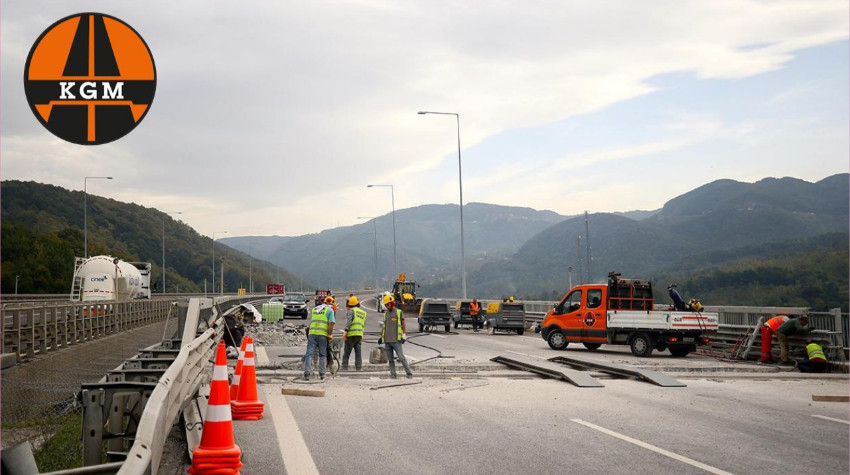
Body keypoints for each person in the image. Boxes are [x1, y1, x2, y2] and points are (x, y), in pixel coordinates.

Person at [379, 295, 413, 379]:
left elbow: (403, 323)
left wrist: (404, 335)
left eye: (388, 304)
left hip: (396, 341)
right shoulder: (385, 314)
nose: (386, 306)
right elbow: (384, 327)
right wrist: (381, 337)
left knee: (401, 358)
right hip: (387, 341)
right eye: (385, 305)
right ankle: (393, 374)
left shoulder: (398, 312)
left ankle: (409, 373)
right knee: (390, 359)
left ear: (392, 303)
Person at [302, 296, 335, 380]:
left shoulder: (315, 309)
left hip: (312, 334)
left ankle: (307, 373)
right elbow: (331, 323)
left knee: (309, 354)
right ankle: (322, 374)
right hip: (322, 335)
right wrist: (330, 334)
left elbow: (310, 324)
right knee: (322, 354)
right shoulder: (329, 310)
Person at [341, 295, 367, 371]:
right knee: (358, 353)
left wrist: (345, 332)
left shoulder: (351, 311)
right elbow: (363, 324)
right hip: (359, 335)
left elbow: (349, 322)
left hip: (351, 335)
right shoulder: (363, 312)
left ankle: (344, 368)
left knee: (347, 352)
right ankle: (359, 368)